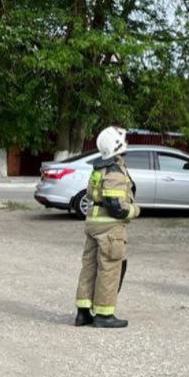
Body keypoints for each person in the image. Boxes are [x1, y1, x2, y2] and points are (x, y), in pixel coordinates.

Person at [74, 126, 140, 328]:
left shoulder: (99, 168)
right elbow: (116, 208)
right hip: (110, 229)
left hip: (94, 224)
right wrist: (135, 211)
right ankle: (104, 315)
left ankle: (83, 313)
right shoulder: (114, 172)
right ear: (117, 145)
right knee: (109, 269)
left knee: (89, 268)